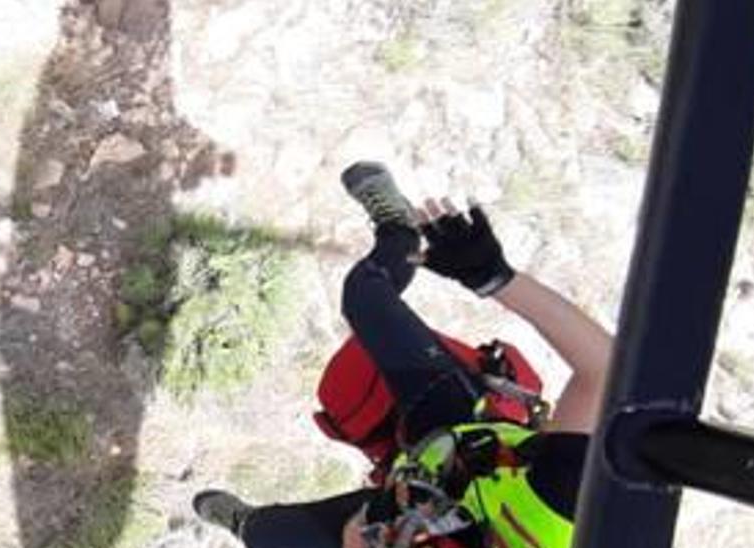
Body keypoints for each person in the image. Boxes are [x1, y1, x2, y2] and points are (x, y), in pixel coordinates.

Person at [192, 161, 614, 547]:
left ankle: (244, 522)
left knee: (271, 534)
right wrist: (494, 278)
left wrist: (367, 533)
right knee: (365, 297)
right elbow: (604, 372)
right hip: (460, 438)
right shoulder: (564, 514)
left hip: (405, 503)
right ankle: (399, 235)